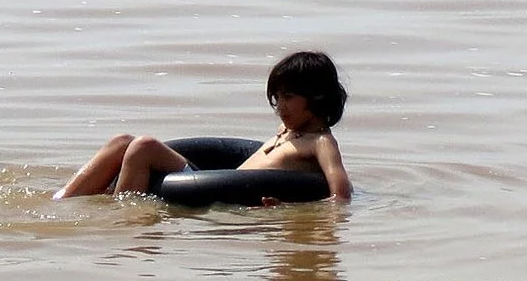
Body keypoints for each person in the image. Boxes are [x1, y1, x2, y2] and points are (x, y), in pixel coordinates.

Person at [53, 50, 353, 202]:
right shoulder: (287, 131)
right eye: (277, 97)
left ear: (316, 97)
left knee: (143, 147)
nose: (280, 106)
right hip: (212, 180)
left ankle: (120, 217)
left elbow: (341, 194)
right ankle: (61, 202)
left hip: (213, 190)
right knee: (122, 141)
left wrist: (292, 209)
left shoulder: (320, 142)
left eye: (288, 97)